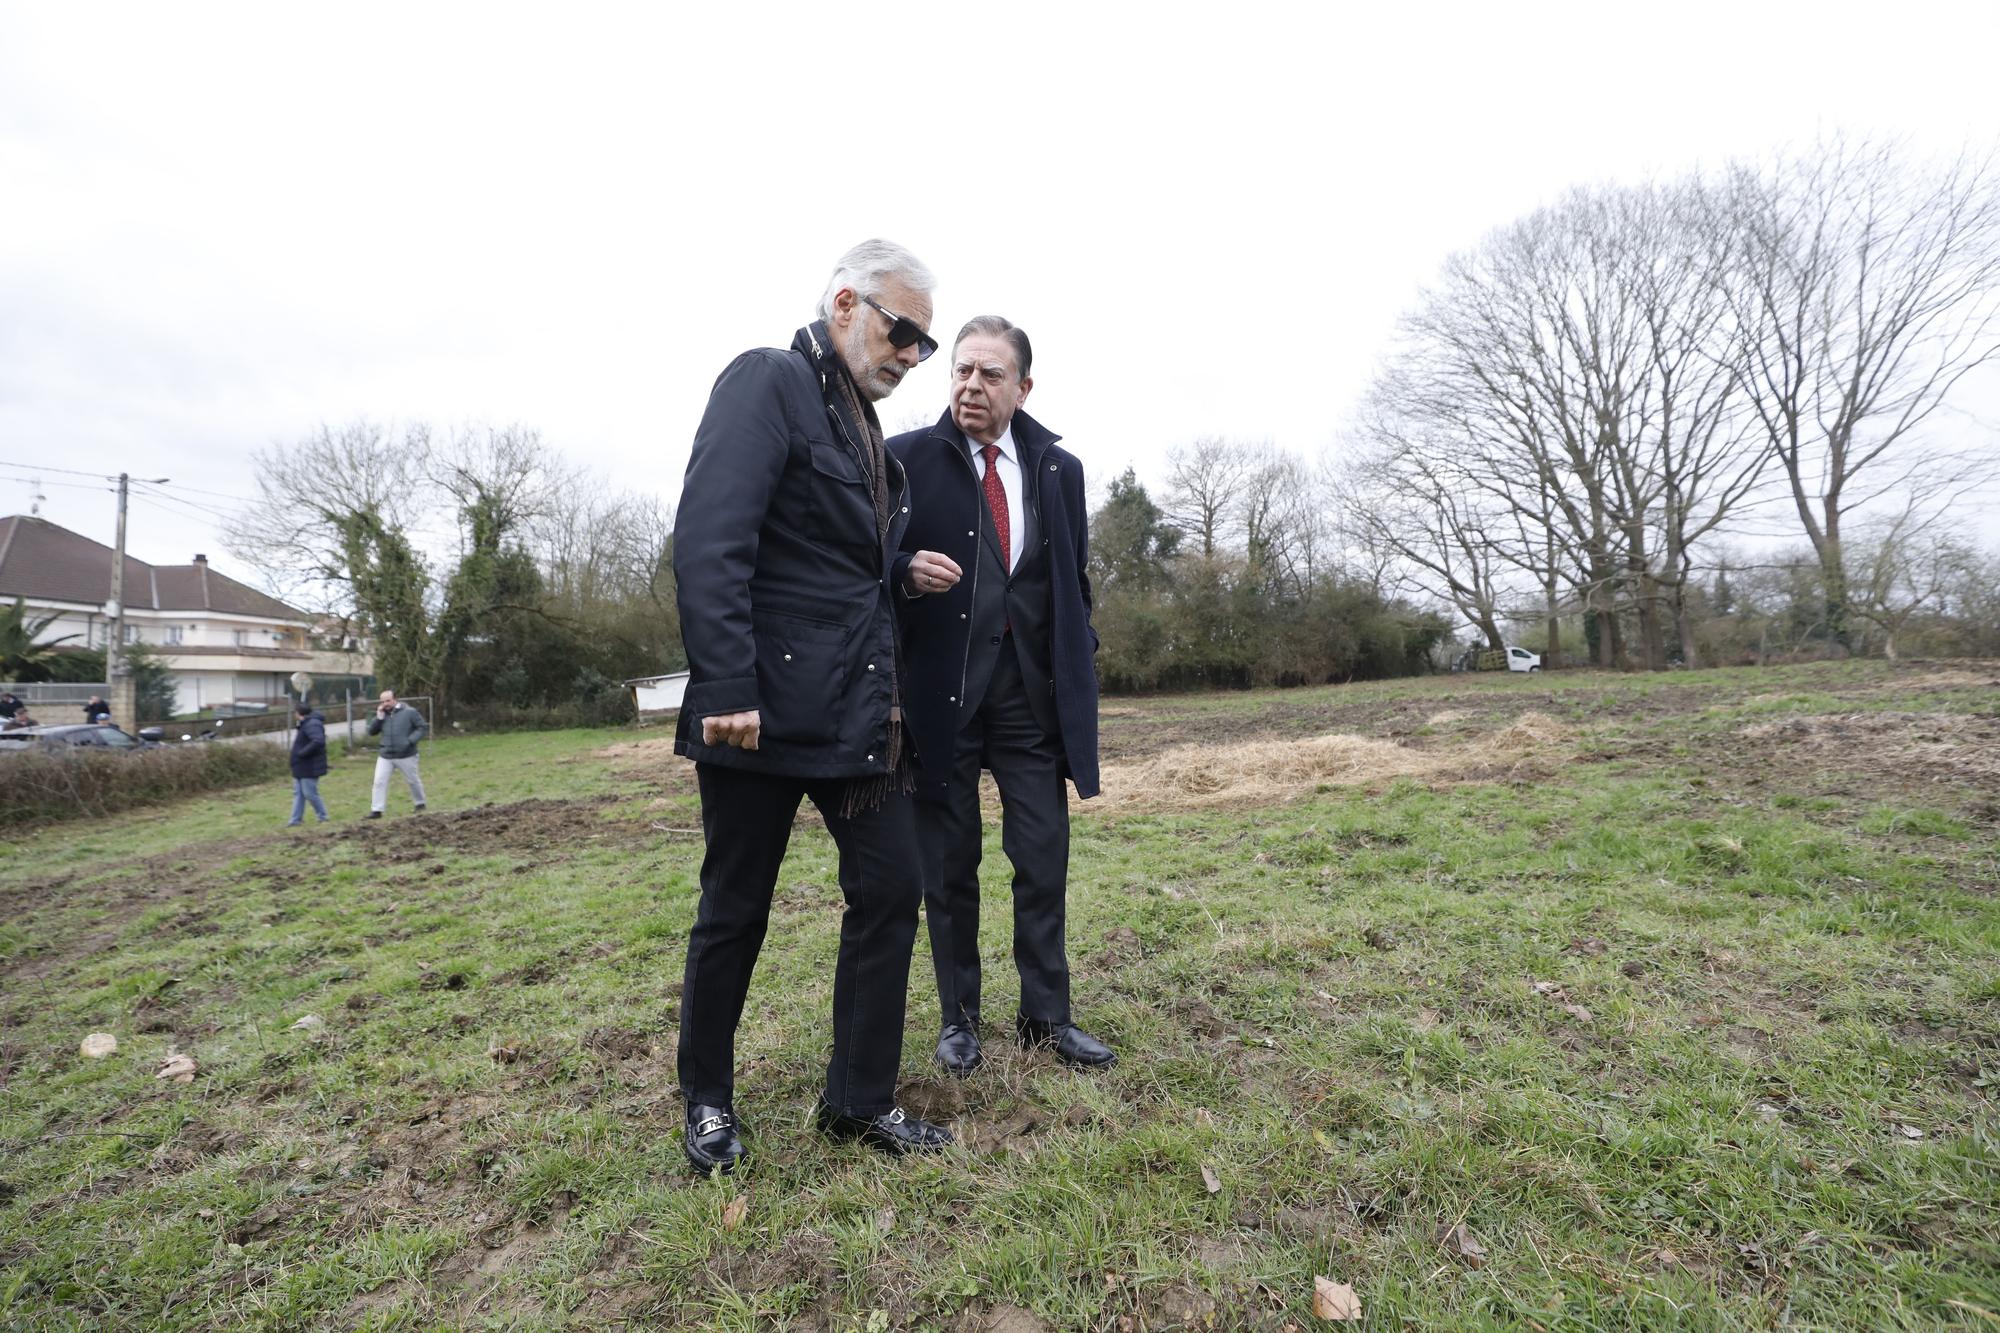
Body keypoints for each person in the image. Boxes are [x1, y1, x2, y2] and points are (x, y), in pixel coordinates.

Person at [672, 238, 959, 1172]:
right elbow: (712, 538)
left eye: (925, 339)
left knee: (892, 887)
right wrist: (724, 684)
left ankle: (858, 1100)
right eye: (902, 330)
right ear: (845, 303)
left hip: (852, 713)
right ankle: (707, 1100)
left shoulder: (863, 430)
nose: (914, 355)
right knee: (736, 908)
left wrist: (898, 570)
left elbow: (828, 562)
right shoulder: (768, 383)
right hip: (755, 712)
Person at [888, 316, 1111, 1076]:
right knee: (948, 867)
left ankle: (1048, 1016)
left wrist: (1080, 660)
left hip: (1031, 702)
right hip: (942, 700)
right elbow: (866, 566)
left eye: (989, 374)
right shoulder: (904, 461)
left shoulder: (1058, 468)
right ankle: (959, 1020)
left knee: (1042, 859)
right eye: (961, 370)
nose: (971, 385)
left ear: (1023, 386)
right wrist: (902, 570)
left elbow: (1070, 580)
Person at [364, 690, 427, 818]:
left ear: (395, 700)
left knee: (413, 780)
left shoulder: (409, 712)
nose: (384, 704)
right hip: (385, 755)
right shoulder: (382, 715)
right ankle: (377, 810)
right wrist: (379, 718)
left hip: (406, 754)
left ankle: (420, 804)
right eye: (382, 701)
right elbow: (371, 732)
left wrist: (410, 741)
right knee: (379, 782)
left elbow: (422, 727)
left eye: (387, 701)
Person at [288, 702, 331, 825]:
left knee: (310, 793)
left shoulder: (312, 724)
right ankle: (295, 820)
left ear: (298, 713)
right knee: (299, 794)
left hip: (309, 765)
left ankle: (323, 816)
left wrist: (302, 753)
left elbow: (318, 741)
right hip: (301, 765)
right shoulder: (305, 723)